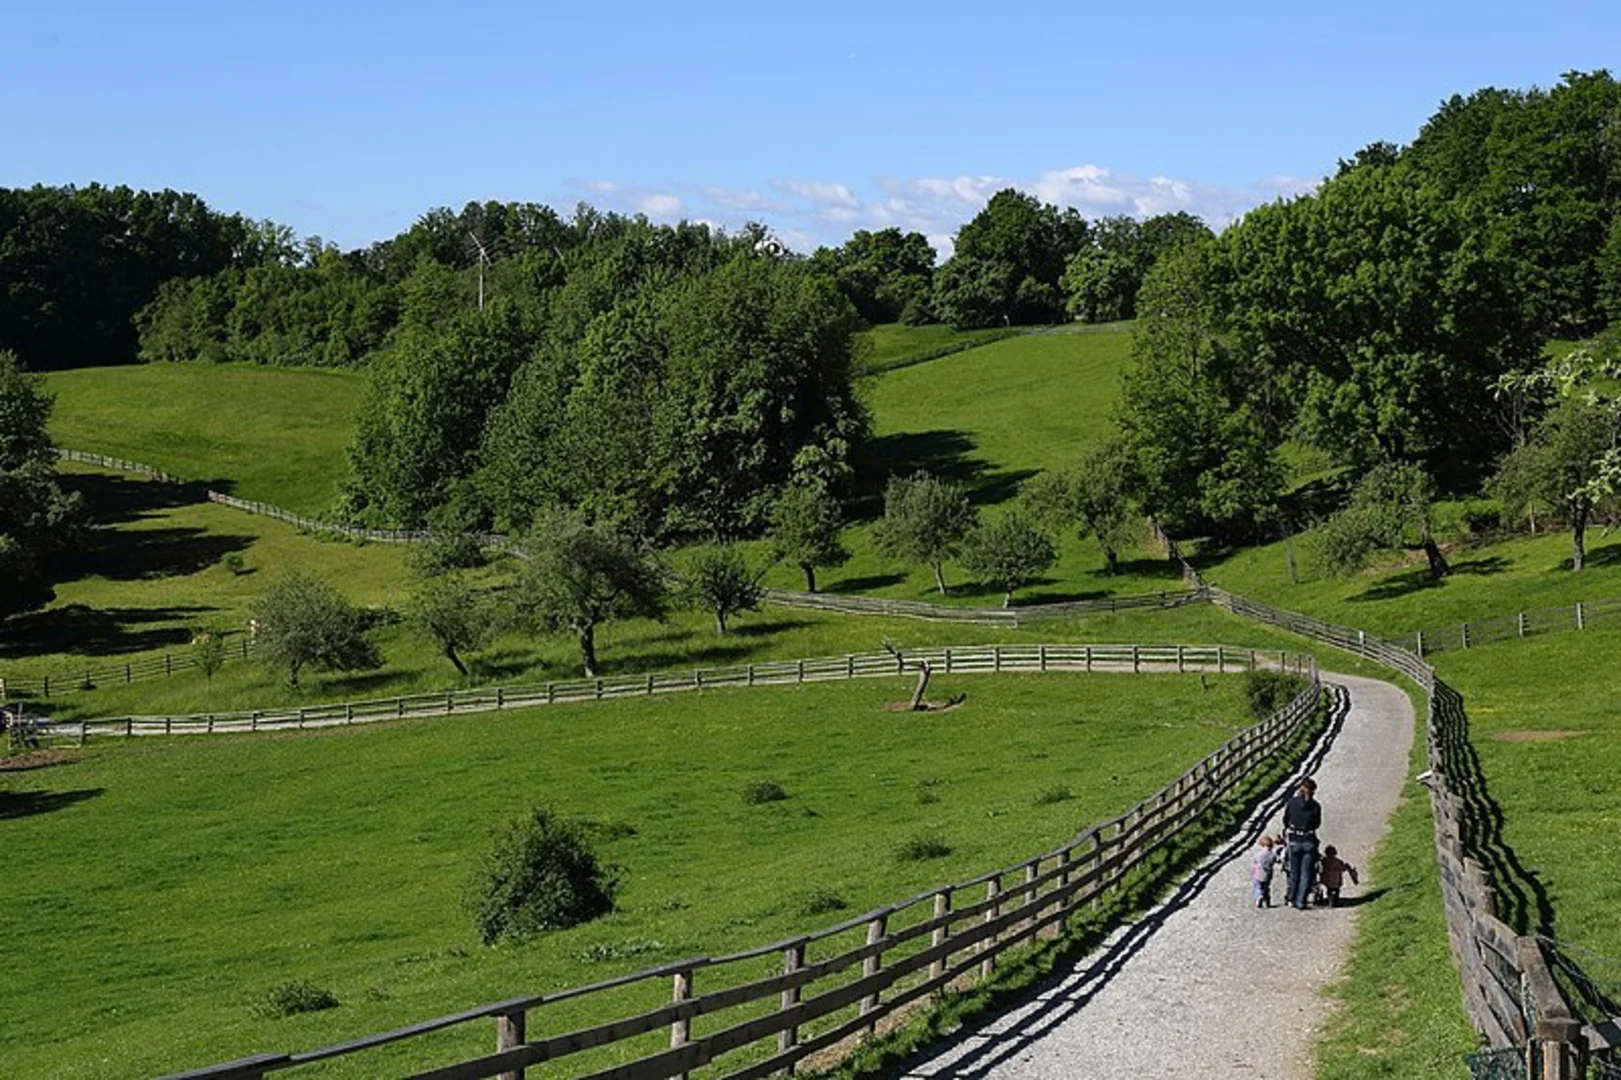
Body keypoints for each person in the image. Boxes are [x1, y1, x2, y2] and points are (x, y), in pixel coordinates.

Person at [1282, 778, 1322, 910]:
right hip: (1309, 840)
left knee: (1294, 871)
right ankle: (1301, 901)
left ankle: (1291, 897)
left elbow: (1286, 820)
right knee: (1306, 872)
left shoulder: (1292, 803)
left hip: (1294, 839)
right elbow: (1317, 824)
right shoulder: (1315, 806)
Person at [1251, 834, 1280, 908]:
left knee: (1257, 886)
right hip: (1267, 874)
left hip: (1258, 873)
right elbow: (1278, 860)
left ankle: (1259, 897)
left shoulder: (1259, 854)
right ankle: (1267, 901)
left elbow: (1255, 862)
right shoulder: (1273, 855)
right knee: (1266, 888)